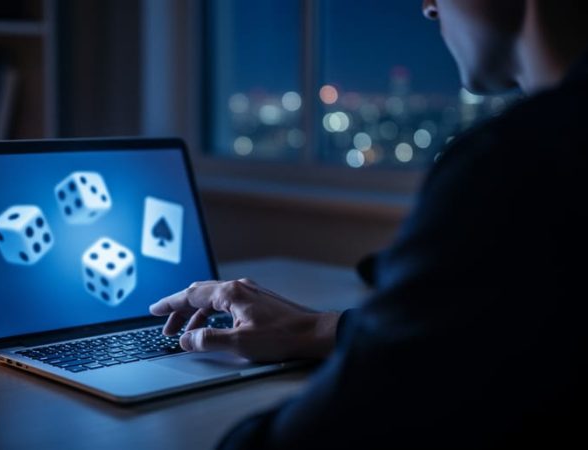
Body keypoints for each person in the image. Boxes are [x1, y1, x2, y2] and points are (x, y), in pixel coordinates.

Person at [149, 0, 588, 447]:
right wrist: (315, 329)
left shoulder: (514, 163)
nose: (429, 7)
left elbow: (340, 421)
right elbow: (499, 330)